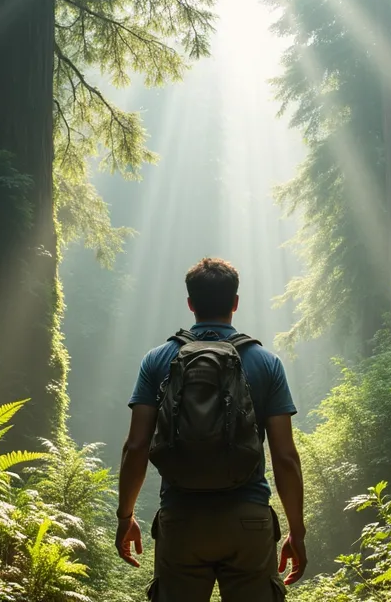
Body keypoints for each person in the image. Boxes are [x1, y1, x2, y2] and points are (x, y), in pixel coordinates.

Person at [115, 257, 307, 601]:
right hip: (248, 519)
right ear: (235, 303)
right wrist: (297, 531)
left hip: (181, 518)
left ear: (190, 304)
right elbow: (285, 457)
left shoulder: (158, 360)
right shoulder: (266, 363)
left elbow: (135, 447)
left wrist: (125, 516)